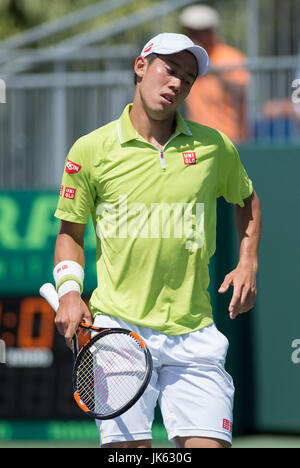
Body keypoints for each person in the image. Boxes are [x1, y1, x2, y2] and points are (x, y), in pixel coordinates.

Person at [53, 32, 261, 449]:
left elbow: (246, 199)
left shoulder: (214, 147)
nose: (177, 84)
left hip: (194, 333)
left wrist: (248, 260)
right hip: (118, 333)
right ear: (141, 66)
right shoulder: (90, 150)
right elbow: (70, 234)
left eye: (188, 78)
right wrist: (70, 292)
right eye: (169, 70)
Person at [179, 4, 250, 143]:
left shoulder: (230, 56)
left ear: (210, 31)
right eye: (189, 31)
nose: (193, 36)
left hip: (230, 140)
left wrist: (216, 72)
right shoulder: (188, 59)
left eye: (197, 31)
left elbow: (241, 91)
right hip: (197, 139)